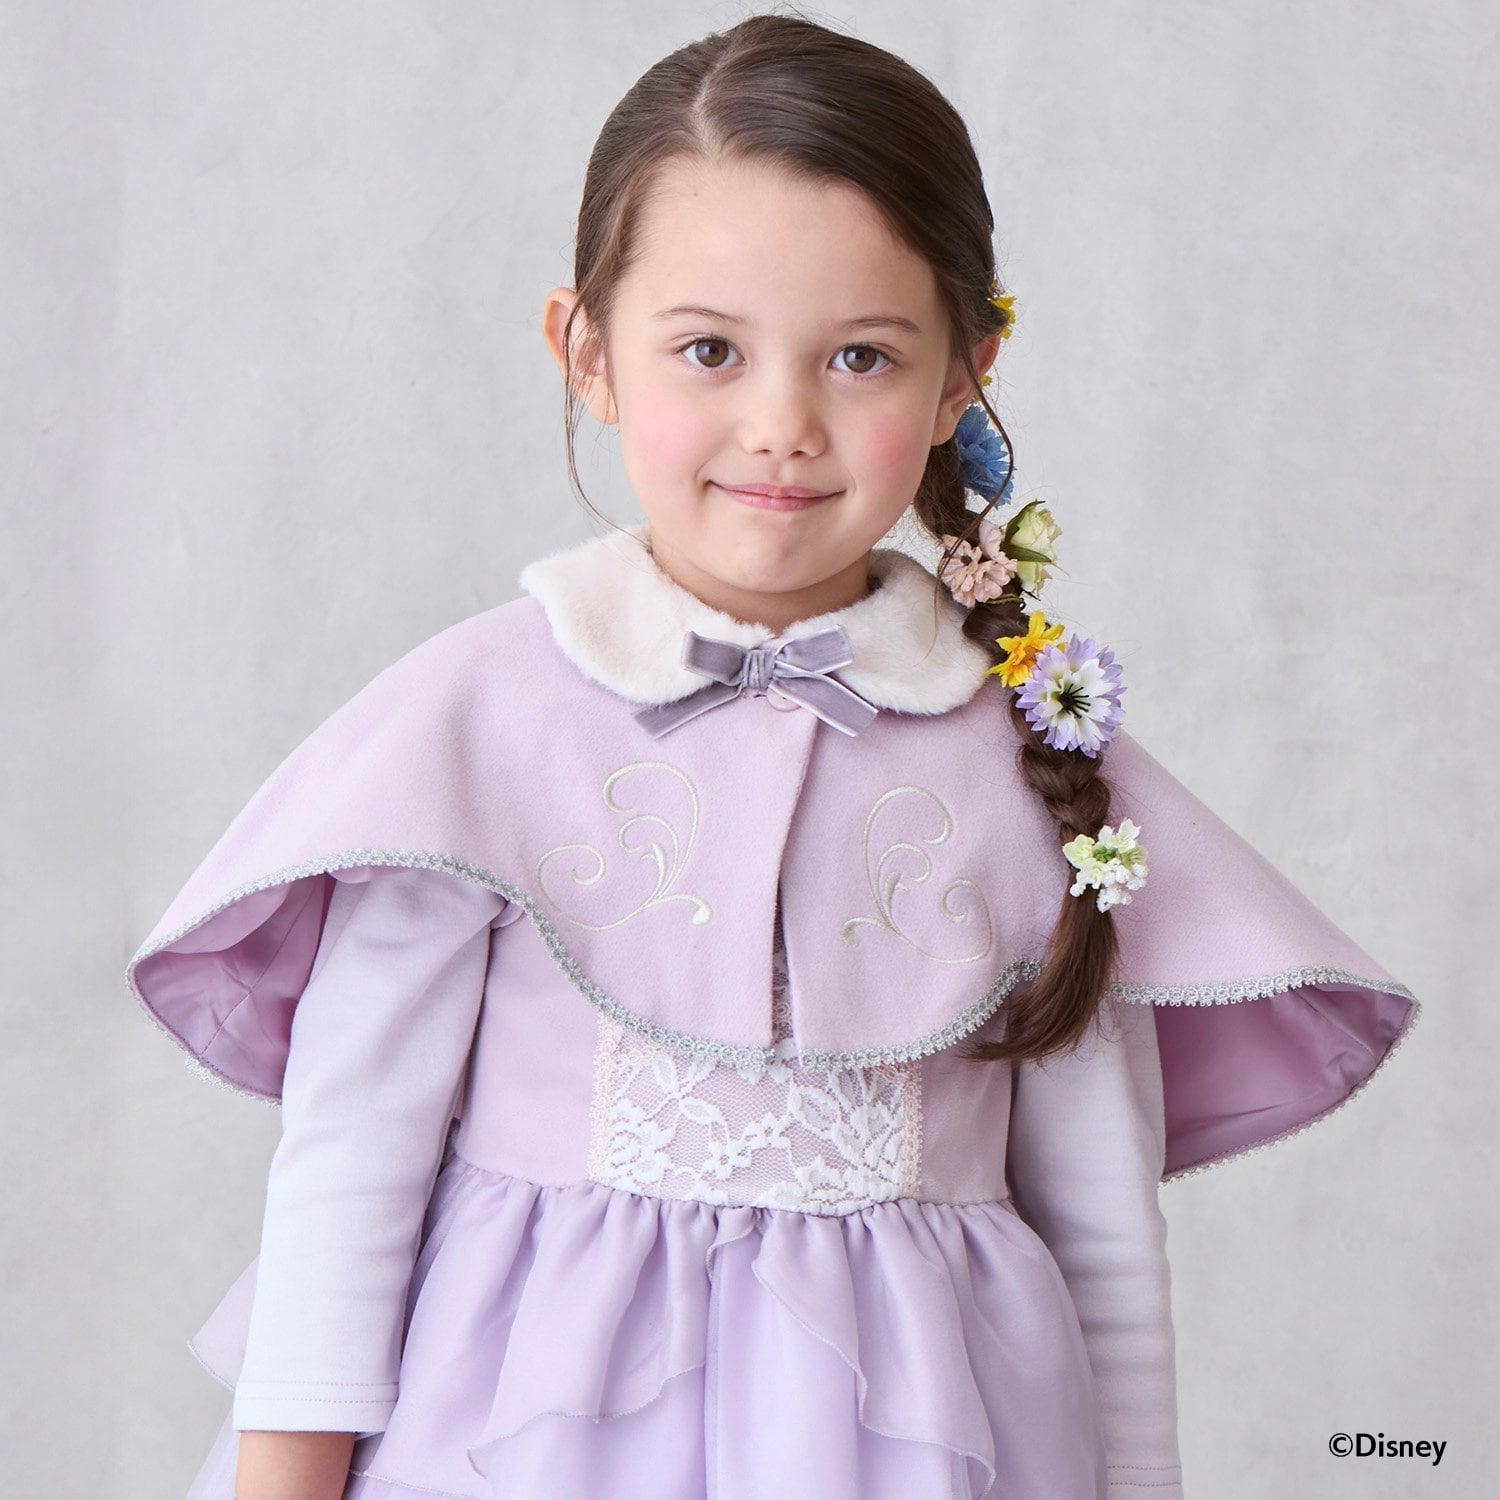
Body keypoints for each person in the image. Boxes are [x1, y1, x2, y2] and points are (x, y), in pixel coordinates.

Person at [130, 14, 1421, 1499]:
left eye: (861, 357)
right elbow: (349, 1166)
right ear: (587, 352)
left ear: (963, 378)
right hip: (516, 1441)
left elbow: (1108, 1249)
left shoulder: (1035, 759)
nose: (783, 424)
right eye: (710, 350)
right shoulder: (474, 726)